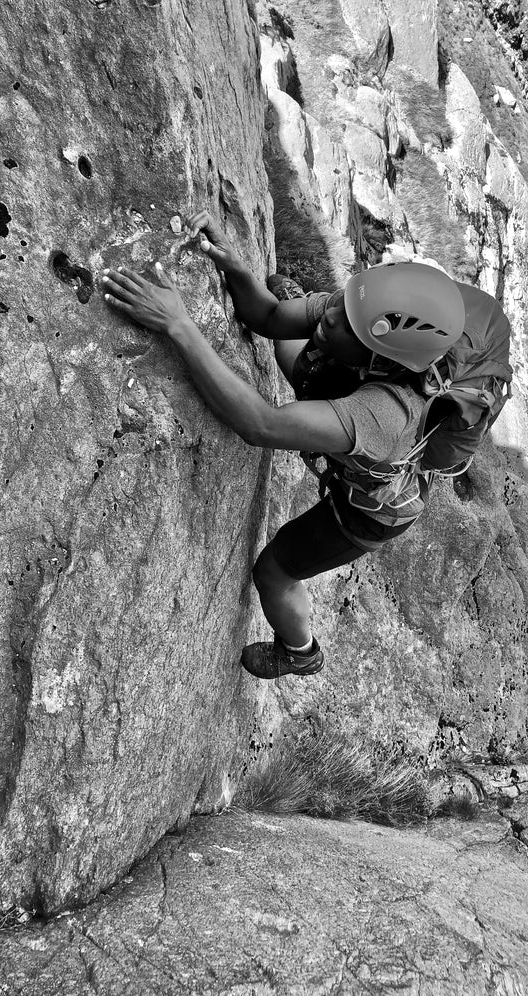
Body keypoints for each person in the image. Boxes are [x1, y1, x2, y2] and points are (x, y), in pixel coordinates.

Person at [101, 210, 468, 679]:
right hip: (352, 410)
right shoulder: (359, 311)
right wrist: (234, 268)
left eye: (345, 323)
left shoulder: (385, 412)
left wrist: (179, 325)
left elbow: (262, 426)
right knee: (291, 347)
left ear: (382, 354)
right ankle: (324, 389)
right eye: (339, 303)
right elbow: (270, 316)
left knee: (272, 572)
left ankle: (300, 652)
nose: (330, 312)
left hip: (368, 511)